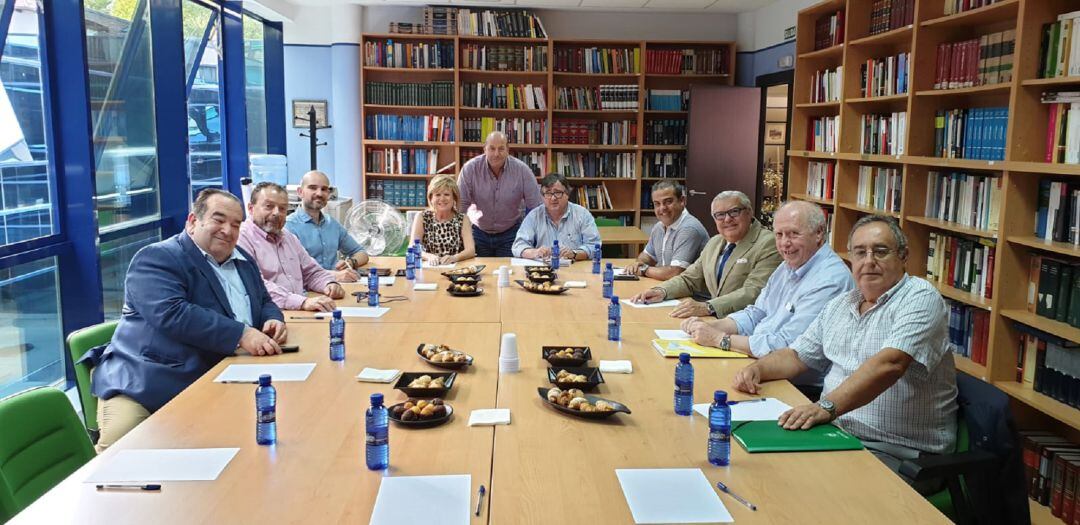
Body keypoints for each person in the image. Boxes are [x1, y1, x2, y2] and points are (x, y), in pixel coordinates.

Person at [732, 215, 958, 495]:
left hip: (898, 452)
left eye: (881, 251)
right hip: (837, 433)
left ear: (903, 256)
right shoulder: (842, 304)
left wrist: (825, 407)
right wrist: (758, 369)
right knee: (754, 472)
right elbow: (796, 356)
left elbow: (890, 364)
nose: (869, 261)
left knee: (808, 494)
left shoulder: (919, 297)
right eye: (860, 252)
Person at [86, 189, 286, 451]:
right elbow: (172, 313)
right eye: (218, 220)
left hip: (216, 374)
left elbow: (264, 300)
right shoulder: (157, 258)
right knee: (119, 455)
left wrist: (273, 319)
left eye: (236, 224)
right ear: (193, 221)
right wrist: (242, 334)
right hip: (145, 379)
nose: (227, 230)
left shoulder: (242, 260)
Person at [680, 201, 853, 400]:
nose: (784, 243)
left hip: (795, 388)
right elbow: (757, 313)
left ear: (819, 233)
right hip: (758, 366)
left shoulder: (829, 280)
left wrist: (720, 339)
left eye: (793, 234)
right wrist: (714, 326)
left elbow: (787, 348)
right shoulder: (790, 264)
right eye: (779, 234)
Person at [630, 191, 781, 319]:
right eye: (720, 215)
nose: (727, 219)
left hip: (747, 325)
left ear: (749, 212)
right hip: (715, 321)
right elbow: (689, 279)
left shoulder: (768, 243)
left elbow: (753, 292)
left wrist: (708, 307)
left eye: (734, 212)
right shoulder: (715, 242)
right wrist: (661, 291)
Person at [239, 182, 345, 312]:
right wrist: (302, 302)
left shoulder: (288, 237)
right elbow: (256, 285)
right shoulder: (241, 238)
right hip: (267, 316)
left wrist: (329, 284)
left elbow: (311, 272)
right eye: (269, 206)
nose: (276, 213)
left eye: (282, 208)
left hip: (296, 312)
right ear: (251, 208)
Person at [458, 131, 543, 257]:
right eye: (492, 148)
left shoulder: (522, 171)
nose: (496, 154)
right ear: (484, 149)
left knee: (509, 269)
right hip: (478, 233)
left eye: (501, 149)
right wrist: (461, 235)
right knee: (478, 269)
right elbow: (461, 205)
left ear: (508, 150)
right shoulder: (470, 169)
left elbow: (535, 206)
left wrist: (529, 235)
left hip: (510, 233)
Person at [285, 170, 368, 282]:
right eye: (313, 188)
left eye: (324, 189)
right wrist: (334, 276)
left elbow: (362, 253)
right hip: (309, 290)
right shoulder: (288, 227)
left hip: (338, 286)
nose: (319, 193)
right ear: (300, 192)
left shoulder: (331, 224)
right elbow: (292, 271)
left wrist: (350, 263)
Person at [624, 181, 709, 280]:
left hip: (691, 289)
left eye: (668, 202)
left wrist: (643, 270)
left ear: (682, 201)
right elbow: (648, 256)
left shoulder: (689, 229)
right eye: (657, 204)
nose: (662, 208)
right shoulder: (659, 227)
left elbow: (675, 273)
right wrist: (638, 264)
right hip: (667, 284)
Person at [512, 173, 602, 261]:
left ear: (567, 194)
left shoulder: (582, 214)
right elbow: (518, 246)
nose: (553, 198)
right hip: (544, 268)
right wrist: (535, 252)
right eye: (548, 193)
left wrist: (574, 254)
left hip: (575, 267)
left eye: (558, 193)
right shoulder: (534, 216)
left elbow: (594, 246)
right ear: (542, 197)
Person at [410, 173, 477, 265]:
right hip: (429, 268)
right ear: (431, 198)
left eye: (446, 194)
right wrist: (429, 256)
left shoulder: (463, 219)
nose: (442, 198)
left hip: (456, 269)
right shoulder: (421, 217)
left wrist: (454, 258)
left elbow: (470, 250)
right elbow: (412, 247)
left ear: (454, 198)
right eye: (437, 195)